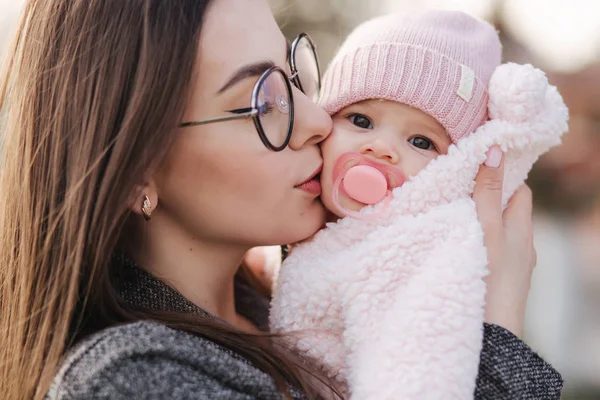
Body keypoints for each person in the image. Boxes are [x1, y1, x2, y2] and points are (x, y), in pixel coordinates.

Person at [0, 1, 560, 399]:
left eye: (294, 76)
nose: (319, 118)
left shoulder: (289, 305)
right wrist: (497, 334)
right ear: (134, 171)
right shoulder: (130, 380)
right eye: (262, 102)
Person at [269, 10, 567, 399]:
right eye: (360, 119)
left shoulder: (427, 251)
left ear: (454, 169)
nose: (381, 148)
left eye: (421, 142)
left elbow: (419, 367)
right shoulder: (291, 234)